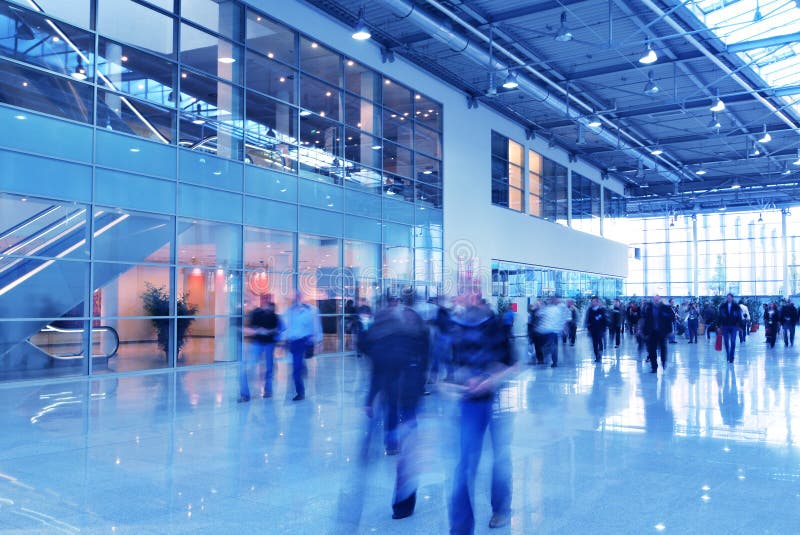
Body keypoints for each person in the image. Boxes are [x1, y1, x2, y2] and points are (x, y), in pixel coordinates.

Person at [449, 300, 518, 533]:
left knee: (500, 458)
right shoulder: (456, 329)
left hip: (498, 400)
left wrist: (491, 379)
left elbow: (513, 364)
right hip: (470, 402)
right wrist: (463, 381)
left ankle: (501, 508)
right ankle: (460, 527)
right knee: (466, 463)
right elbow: (447, 372)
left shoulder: (497, 327)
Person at [359, 298, 429, 519]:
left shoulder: (402, 333)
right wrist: (370, 399)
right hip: (399, 396)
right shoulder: (388, 334)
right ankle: (402, 500)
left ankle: (403, 502)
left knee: (406, 452)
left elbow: (380, 368)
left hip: (404, 396)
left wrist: (371, 399)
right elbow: (378, 368)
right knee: (404, 448)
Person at [282, 291, 323, 401]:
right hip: (293, 342)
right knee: (297, 365)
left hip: (304, 341)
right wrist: (283, 340)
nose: (294, 299)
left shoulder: (311, 310)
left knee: (296, 370)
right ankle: (302, 368)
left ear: (301, 297)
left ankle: (300, 392)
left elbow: (317, 326)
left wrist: (318, 341)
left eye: (297, 297)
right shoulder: (288, 311)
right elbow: (285, 327)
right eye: (293, 297)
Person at [238, 301, 282, 402]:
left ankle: (268, 391)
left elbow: (277, 329)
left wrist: (268, 332)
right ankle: (246, 394)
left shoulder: (275, 317)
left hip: (268, 344)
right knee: (252, 367)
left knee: (269, 367)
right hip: (258, 343)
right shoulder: (257, 314)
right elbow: (252, 327)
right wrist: (260, 331)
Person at [639, 294, 674, 373]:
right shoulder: (649, 308)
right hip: (652, 333)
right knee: (652, 350)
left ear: (660, 300)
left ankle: (663, 362)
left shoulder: (665, 308)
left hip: (662, 332)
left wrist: (670, 331)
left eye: (657, 299)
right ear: (653, 300)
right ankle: (654, 367)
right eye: (655, 299)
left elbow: (669, 320)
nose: (656, 301)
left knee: (663, 349)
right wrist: (642, 331)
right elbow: (645, 320)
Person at [536, 297, 568, 368]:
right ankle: (554, 361)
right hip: (552, 331)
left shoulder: (548, 309)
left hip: (549, 331)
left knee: (551, 346)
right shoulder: (555, 309)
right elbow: (562, 320)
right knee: (553, 346)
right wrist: (562, 329)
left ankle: (552, 360)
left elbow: (538, 315)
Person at [718, 293, 743, 364]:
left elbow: (739, 316)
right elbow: (719, 316)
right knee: (726, 341)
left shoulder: (736, 306)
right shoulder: (722, 306)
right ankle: (728, 355)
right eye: (727, 297)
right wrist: (718, 326)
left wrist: (740, 326)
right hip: (725, 325)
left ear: (732, 298)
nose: (728, 298)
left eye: (730, 297)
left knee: (733, 341)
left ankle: (731, 356)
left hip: (733, 326)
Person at [585, 297, 608, 363]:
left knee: (599, 341)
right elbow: (588, 320)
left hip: (600, 329)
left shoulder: (601, 310)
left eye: (595, 301)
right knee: (594, 343)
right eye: (592, 301)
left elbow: (604, 320)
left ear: (597, 302)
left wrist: (604, 328)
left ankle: (600, 354)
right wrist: (588, 328)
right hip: (593, 330)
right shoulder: (590, 310)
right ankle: (597, 356)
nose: (593, 303)